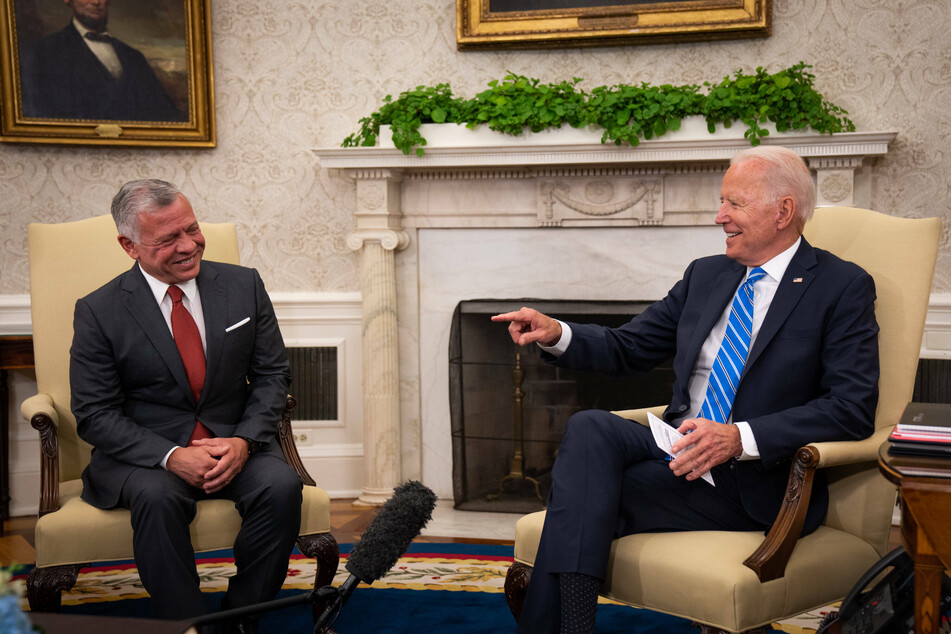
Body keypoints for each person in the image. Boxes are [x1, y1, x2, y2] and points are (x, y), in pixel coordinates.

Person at [492, 145, 880, 633]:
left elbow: (851, 408)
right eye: (722, 202)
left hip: (752, 479)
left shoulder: (841, 286)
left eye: (734, 204)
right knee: (590, 427)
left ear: (783, 211)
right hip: (676, 447)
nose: (720, 217)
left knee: (582, 497)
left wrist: (738, 436)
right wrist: (558, 333)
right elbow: (628, 347)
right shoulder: (707, 274)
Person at [70, 179, 301, 633]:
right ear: (129, 246)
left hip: (235, 442)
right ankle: (189, 626)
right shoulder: (99, 311)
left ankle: (241, 618)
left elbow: (274, 376)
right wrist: (172, 456)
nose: (188, 245)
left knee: (281, 486)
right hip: (148, 457)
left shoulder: (243, 285)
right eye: (168, 239)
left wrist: (243, 441)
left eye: (191, 229)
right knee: (157, 498)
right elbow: (94, 413)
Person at [20, 0, 184, 121]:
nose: (96, 2)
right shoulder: (44, 53)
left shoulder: (134, 57)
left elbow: (165, 113)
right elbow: (36, 114)